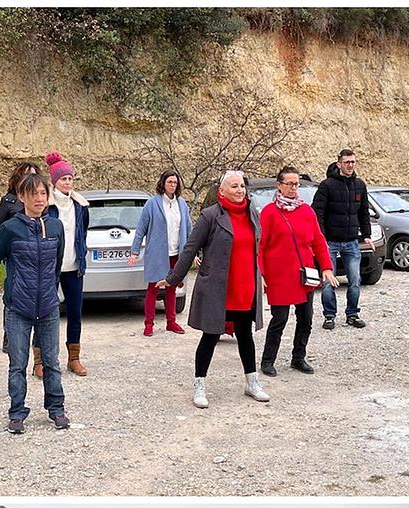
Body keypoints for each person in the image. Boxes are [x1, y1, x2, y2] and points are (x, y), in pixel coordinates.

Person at [160, 170, 269, 409]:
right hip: (219, 288)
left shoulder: (253, 213)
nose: (240, 191)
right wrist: (173, 278)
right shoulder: (210, 216)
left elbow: (257, 249)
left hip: (245, 286)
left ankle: (252, 382)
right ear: (222, 192)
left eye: (241, 186)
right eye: (234, 187)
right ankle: (199, 385)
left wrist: (261, 276)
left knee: (245, 335)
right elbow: (190, 248)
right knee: (210, 336)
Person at [0, 172, 71, 435]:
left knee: (51, 361)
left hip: (48, 307)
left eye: (42, 193)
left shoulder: (56, 227)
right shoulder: (10, 228)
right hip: (18, 307)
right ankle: (17, 413)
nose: (39, 199)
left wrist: (51, 289)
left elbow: (57, 264)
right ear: (21, 197)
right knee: (18, 363)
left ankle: (56, 409)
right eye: (33, 194)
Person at [258, 165, 336, 376]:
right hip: (279, 276)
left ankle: (298, 357)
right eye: (289, 184)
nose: (294, 188)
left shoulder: (306, 210)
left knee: (306, 318)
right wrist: (261, 274)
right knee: (279, 319)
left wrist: (327, 266)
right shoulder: (269, 213)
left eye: (296, 184)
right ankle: (268, 360)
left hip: (304, 274)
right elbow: (261, 246)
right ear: (279, 185)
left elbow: (318, 241)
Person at [311, 149, 374, 330]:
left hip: (352, 241)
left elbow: (363, 212)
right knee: (328, 280)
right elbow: (318, 213)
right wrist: (320, 238)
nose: (350, 165)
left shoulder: (360, 185)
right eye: (346, 162)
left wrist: (367, 235)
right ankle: (329, 315)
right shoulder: (327, 185)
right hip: (329, 241)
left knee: (355, 280)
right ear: (339, 164)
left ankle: (352, 314)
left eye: (353, 162)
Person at [0, 161, 42, 353]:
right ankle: (9, 336)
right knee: (13, 292)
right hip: (13, 254)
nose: (30, 178)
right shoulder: (9, 201)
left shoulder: (41, 201)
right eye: (26, 175)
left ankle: (35, 338)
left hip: (36, 253)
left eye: (34, 174)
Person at [128, 169, 191, 337]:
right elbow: (141, 229)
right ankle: (149, 324)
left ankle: (172, 322)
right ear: (163, 183)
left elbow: (189, 229)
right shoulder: (152, 203)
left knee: (172, 288)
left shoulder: (182, 204)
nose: (172, 185)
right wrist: (134, 251)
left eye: (175, 182)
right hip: (157, 253)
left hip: (177, 252)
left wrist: (194, 252)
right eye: (169, 182)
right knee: (153, 288)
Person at [45, 151, 90, 377]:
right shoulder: (47, 206)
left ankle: (74, 358)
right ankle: (41, 360)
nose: (68, 182)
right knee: (44, 313)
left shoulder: (80, 206)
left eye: (70, 178)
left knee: (75, 313)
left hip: (74, 267)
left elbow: (83, 231)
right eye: (63, 179)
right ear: (55, 181)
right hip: (50, 268)